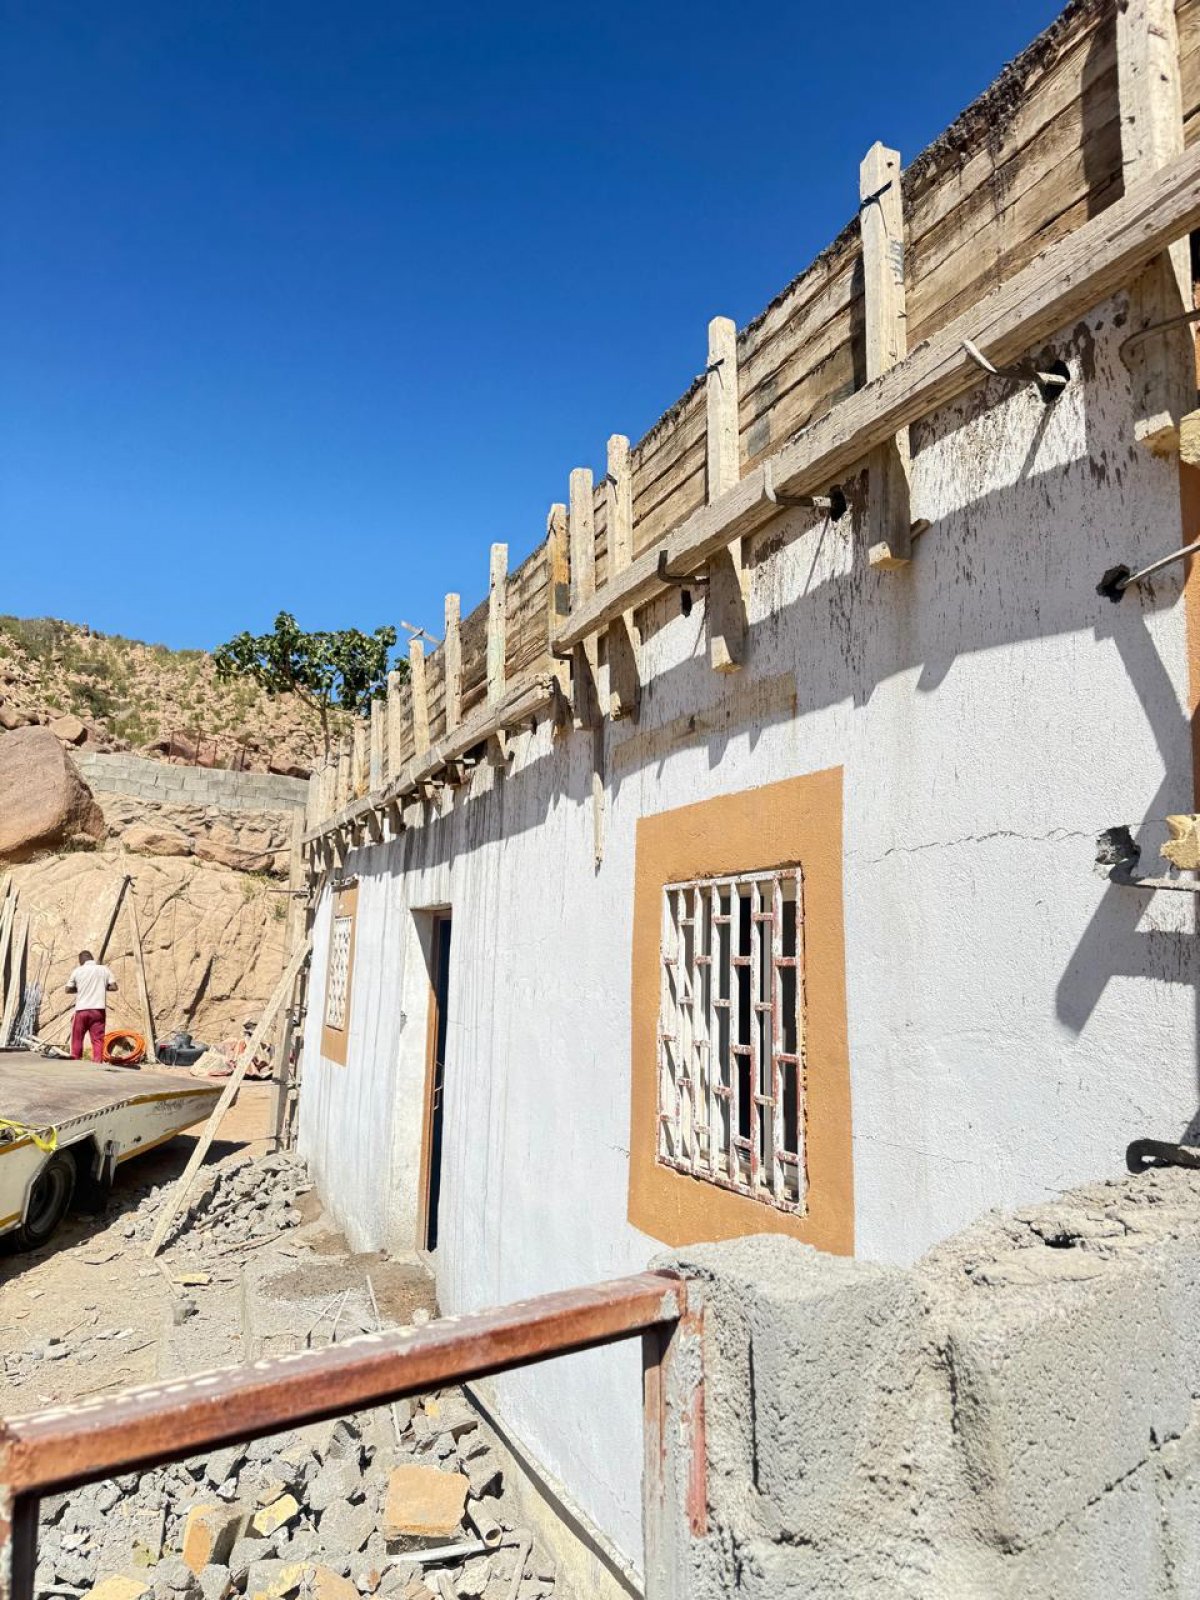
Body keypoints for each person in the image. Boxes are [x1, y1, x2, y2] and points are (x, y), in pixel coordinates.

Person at [65, 949, 117, 1062]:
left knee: (77, 1038)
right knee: (98, 1039)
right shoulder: (104, 969)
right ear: (91, 958)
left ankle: (76, 1060)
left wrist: (80, 988)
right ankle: (97, 1063)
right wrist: (102, 986)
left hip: (81, 1010)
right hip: (98, 1010)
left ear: (81, 960)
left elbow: (67, 989)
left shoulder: (77, 971)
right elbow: (114, 987)